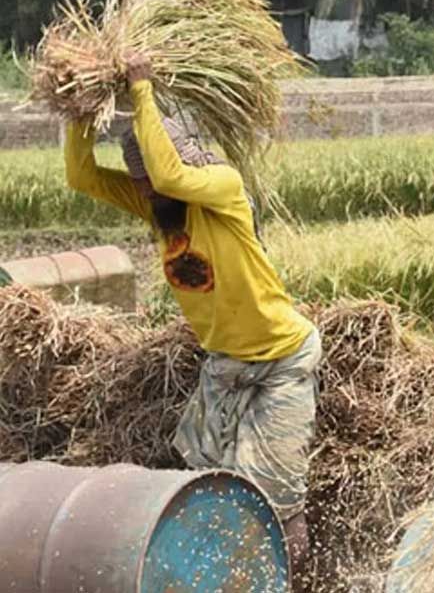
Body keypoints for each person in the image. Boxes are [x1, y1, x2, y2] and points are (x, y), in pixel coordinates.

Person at [63, 54, 321, 580]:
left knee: (270, 499)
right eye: (141, 184)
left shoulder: (221, 190)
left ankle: (287, 579)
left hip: (280, 363)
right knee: (203, 489)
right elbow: (81, 175)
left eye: (152, 183)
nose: (148, 190)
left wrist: (141, 90)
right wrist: (77, 112)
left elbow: (168, 172)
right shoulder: (156, 206)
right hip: (224, 368)